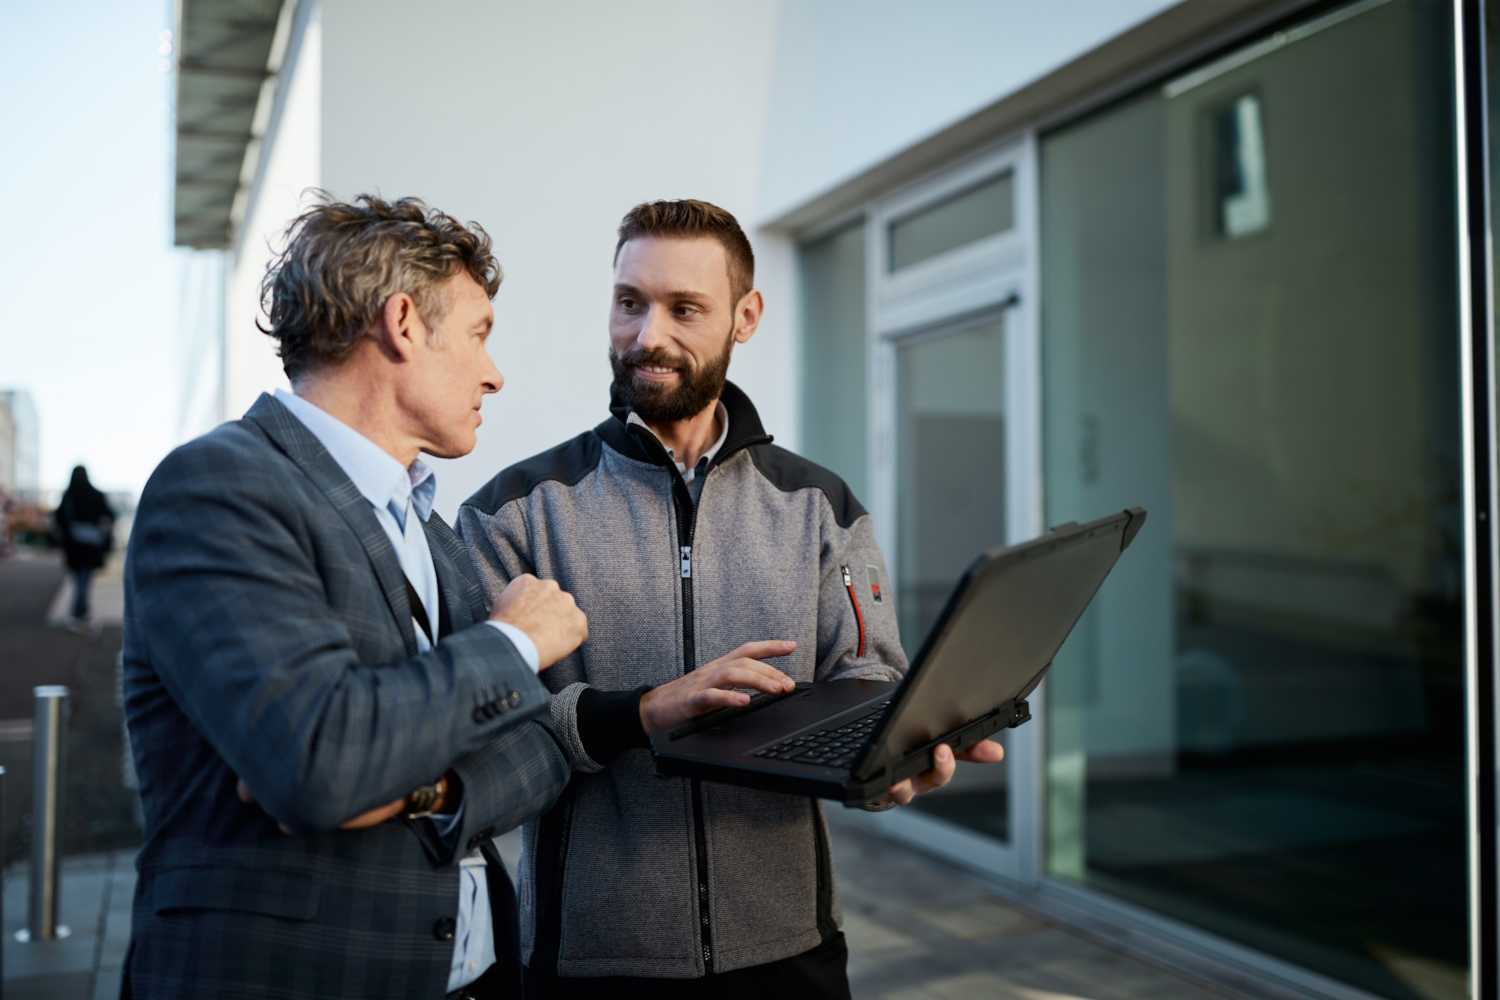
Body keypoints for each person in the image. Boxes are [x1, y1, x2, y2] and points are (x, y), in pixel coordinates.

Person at [457, 199, 1005, 998]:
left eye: (685, 309)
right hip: (590, 961)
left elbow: (870, 677)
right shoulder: (514, 512)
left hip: (790, 955)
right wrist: (638, 712)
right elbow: (485, 738)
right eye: (629, 303)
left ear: (745, 318)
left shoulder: (823, 505)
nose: (648, 336)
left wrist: (893, 761)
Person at [121, 193, 589, 1000]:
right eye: (479, 334)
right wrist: (513, 644)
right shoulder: (219, 488)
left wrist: (427, 787)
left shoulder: (431, 527)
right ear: (403, 323)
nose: (495, 373)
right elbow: (317, 764)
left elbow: (542, 745)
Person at [54, 464, 115, 625]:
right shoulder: (96, 494)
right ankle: (81, 609)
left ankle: (79, 609)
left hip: (73, 544)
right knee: (85, 577)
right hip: (91, 543)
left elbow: (59, 518)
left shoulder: (68, 495)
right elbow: (110, 514)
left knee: (78, 577)